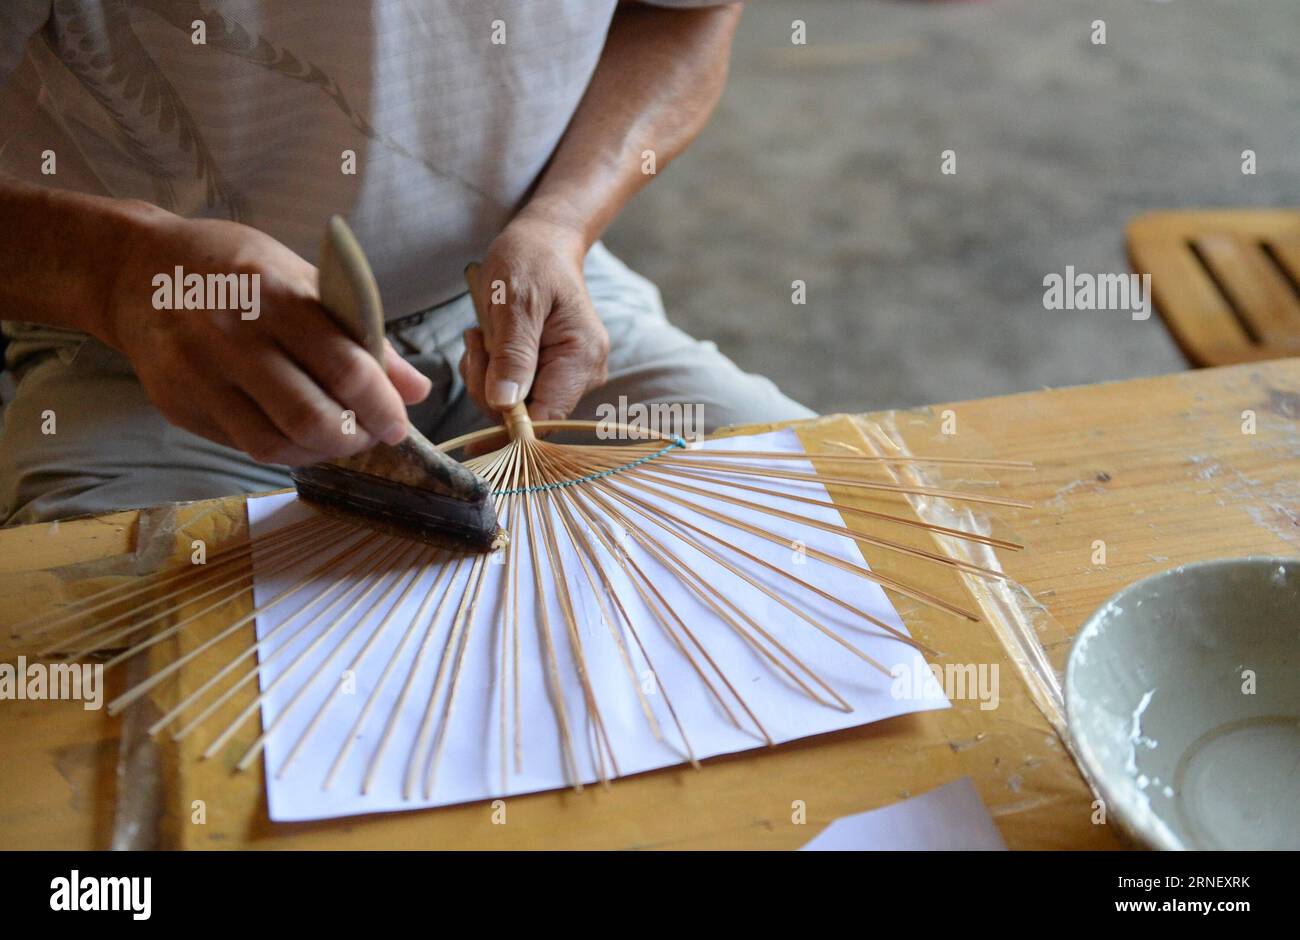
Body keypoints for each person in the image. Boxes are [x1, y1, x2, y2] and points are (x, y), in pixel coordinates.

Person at [0, 1, 812, 525]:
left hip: (522, 301)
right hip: (153, 357)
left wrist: (563, 222)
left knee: (813, 533)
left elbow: (685, 14)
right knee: (144, 719)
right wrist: (118, 273)